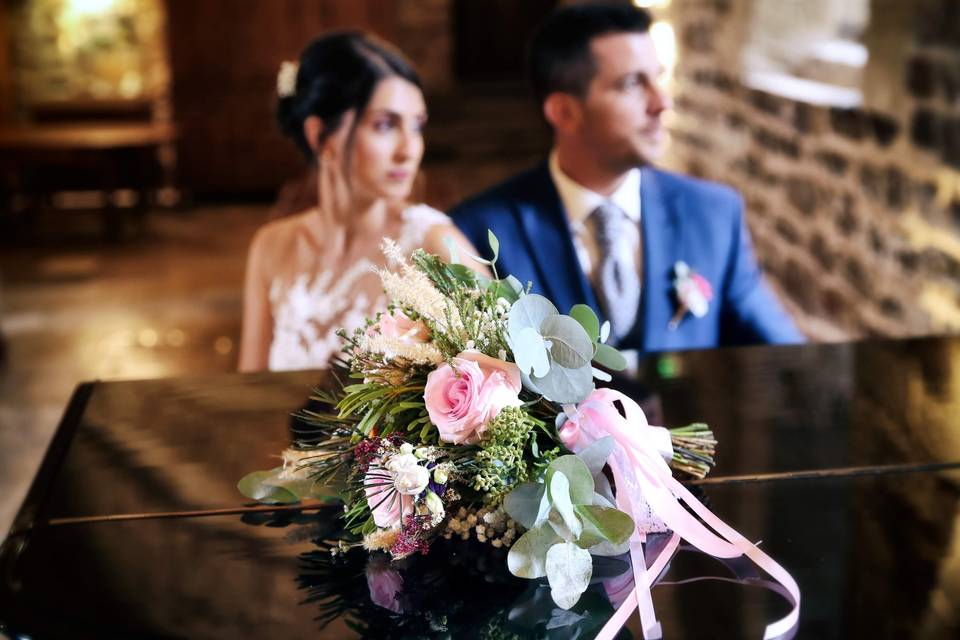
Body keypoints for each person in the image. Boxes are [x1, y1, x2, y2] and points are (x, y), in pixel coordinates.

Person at [451, 3, 804, 353]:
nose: (662, 102)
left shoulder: (714, 214)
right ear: (564, 112)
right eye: (633, 84)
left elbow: (787, 355)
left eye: (658, 77)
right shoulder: (478, 232)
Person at [240, 31, 482, 372]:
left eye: (416, 126)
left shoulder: (434, 247)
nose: (409, 149)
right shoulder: (272, 248)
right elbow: (247, 394)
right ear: (321, 137)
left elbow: (497, 381)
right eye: (385, 125)